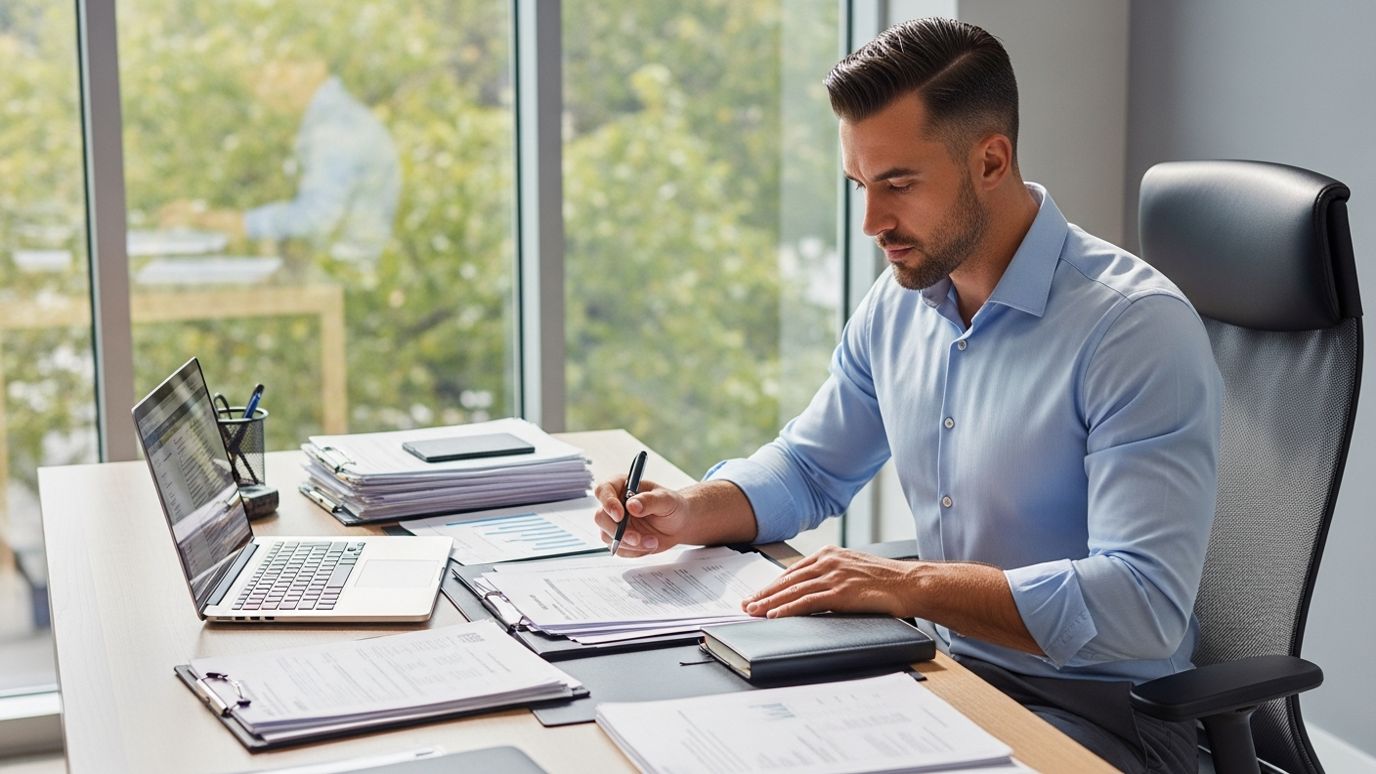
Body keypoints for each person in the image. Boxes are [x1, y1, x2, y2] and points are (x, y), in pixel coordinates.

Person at [593, 17, 1220, 773]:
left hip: (1105, 719)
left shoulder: (1130, 329)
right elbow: (810, 468)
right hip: (944, 675)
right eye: (860, 185)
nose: (871, 223)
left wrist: (908, 584)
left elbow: (1142, 606)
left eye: (898, 184)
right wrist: (696, 508)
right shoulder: (900, 303)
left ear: (991, 160)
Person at [161, 58, 400, 272]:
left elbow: (315, 218)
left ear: (316, 66)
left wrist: (234, 223)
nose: (267, 88)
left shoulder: (334, 127)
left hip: (350, 280)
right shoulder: (325, 119)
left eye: (280, 73)